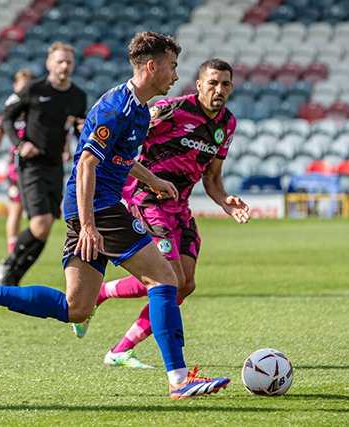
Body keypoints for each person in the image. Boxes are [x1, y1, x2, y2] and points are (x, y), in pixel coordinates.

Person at [0, 30, 231, 400]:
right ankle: (179, 380)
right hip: (98, 206)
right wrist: (90, 225)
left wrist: (153, 179)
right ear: (152, 66)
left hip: (92, 207)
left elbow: (121, 159)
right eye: (172, 67)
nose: (175, 76)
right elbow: (85, 165)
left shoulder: (141, 111)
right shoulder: (116, 106)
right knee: (165, 279)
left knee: (76, 308)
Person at [71, 59, 251, 370]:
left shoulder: (227, 125)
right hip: (148, 199)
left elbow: (212, 177)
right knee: (169, 277)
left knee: (186, 284)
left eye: (224, 84)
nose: (218, 89)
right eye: (212, 83)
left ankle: (120, 349)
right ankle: (100, 298)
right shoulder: (171, 110)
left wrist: (224, 201)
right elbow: (123, 136)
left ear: (231, 88)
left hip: (179, 206)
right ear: (199, 85)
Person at [0, 42, 87, 285]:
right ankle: (10, 262)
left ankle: (13, 277)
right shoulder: (33, 89)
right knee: (40, 223)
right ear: (49, 64)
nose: (64, 65)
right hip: (31, 165)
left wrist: (82, 131)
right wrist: (20, 143)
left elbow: (78, 129)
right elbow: (7, 116)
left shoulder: (78, 96)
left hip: (56, 166)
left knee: (45, 228)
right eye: (60, 61)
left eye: (68, 61)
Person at [0, 69, 36, 253]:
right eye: (22, 84)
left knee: (35, 210)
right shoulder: (11, 106)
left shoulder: (37, 106)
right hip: (17, 164)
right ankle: (13, 248)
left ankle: (27, 246)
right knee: (16, 206)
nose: (24, 88)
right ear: (15, 86)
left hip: (38, 164)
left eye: (28, 84)